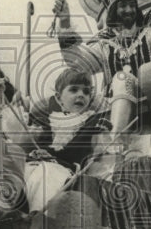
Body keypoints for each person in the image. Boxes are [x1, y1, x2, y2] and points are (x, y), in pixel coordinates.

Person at [52, 0, 151, 143]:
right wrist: (64, 23)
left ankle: (114, 140)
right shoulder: (104, 45)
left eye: (131, 5)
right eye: (122, 6)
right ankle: (113, 139)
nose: (128, 10)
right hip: (114, 113)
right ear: (113, 11)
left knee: (122, 78)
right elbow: (77, 64)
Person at [18, 68, 111, 212]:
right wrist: (28, 140)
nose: (81, 95)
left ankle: (40, 222)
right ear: (58, 97)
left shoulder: (93, 123)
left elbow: (92, 156)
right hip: (31, 168)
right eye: (74, 90)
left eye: (86, 92)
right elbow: (24, 149)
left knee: (46, 174)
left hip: (63, 174)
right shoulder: (44, 122)